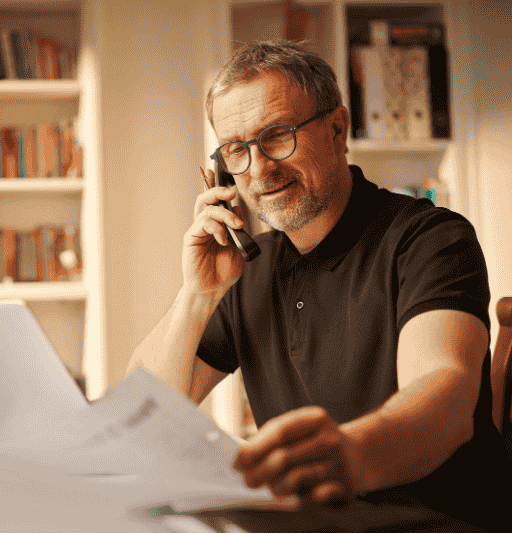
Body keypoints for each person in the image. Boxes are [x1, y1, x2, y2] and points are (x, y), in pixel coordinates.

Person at [127, 40, 510, 531]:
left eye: (278, 135)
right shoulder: (247, 270)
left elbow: (445, 395)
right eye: (236, 150)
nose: (259, 168)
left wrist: (350, 455)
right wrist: (197, 294)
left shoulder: (428, 239)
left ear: (337, 129)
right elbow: (136, 412)